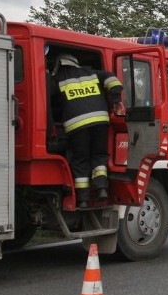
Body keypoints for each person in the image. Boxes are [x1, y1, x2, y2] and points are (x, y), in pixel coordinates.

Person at [51, 52, 124, 208]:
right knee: (99, 156)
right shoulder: (92, 73)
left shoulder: (57, 80)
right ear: (75, 62)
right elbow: (112, 79)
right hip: (100, 121)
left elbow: (50, 103)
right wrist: (116, 100)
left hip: (76, 126)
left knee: (80, 160)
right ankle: (101, 189)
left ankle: (83, 199)